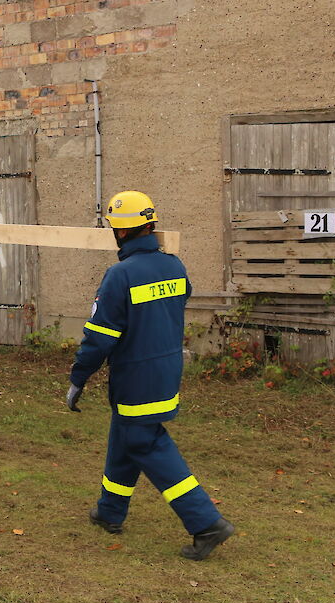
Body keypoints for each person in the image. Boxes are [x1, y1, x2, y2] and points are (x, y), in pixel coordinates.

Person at [66, 191, 234, 560]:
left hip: (135, 377)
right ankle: (110, 511)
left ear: (121, 233)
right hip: (166, 370)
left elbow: (99, 338)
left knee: (146, 443)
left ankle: (206, 523)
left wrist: (79, 376)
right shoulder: (174, 266)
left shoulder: (120, 275)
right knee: (126, 435)